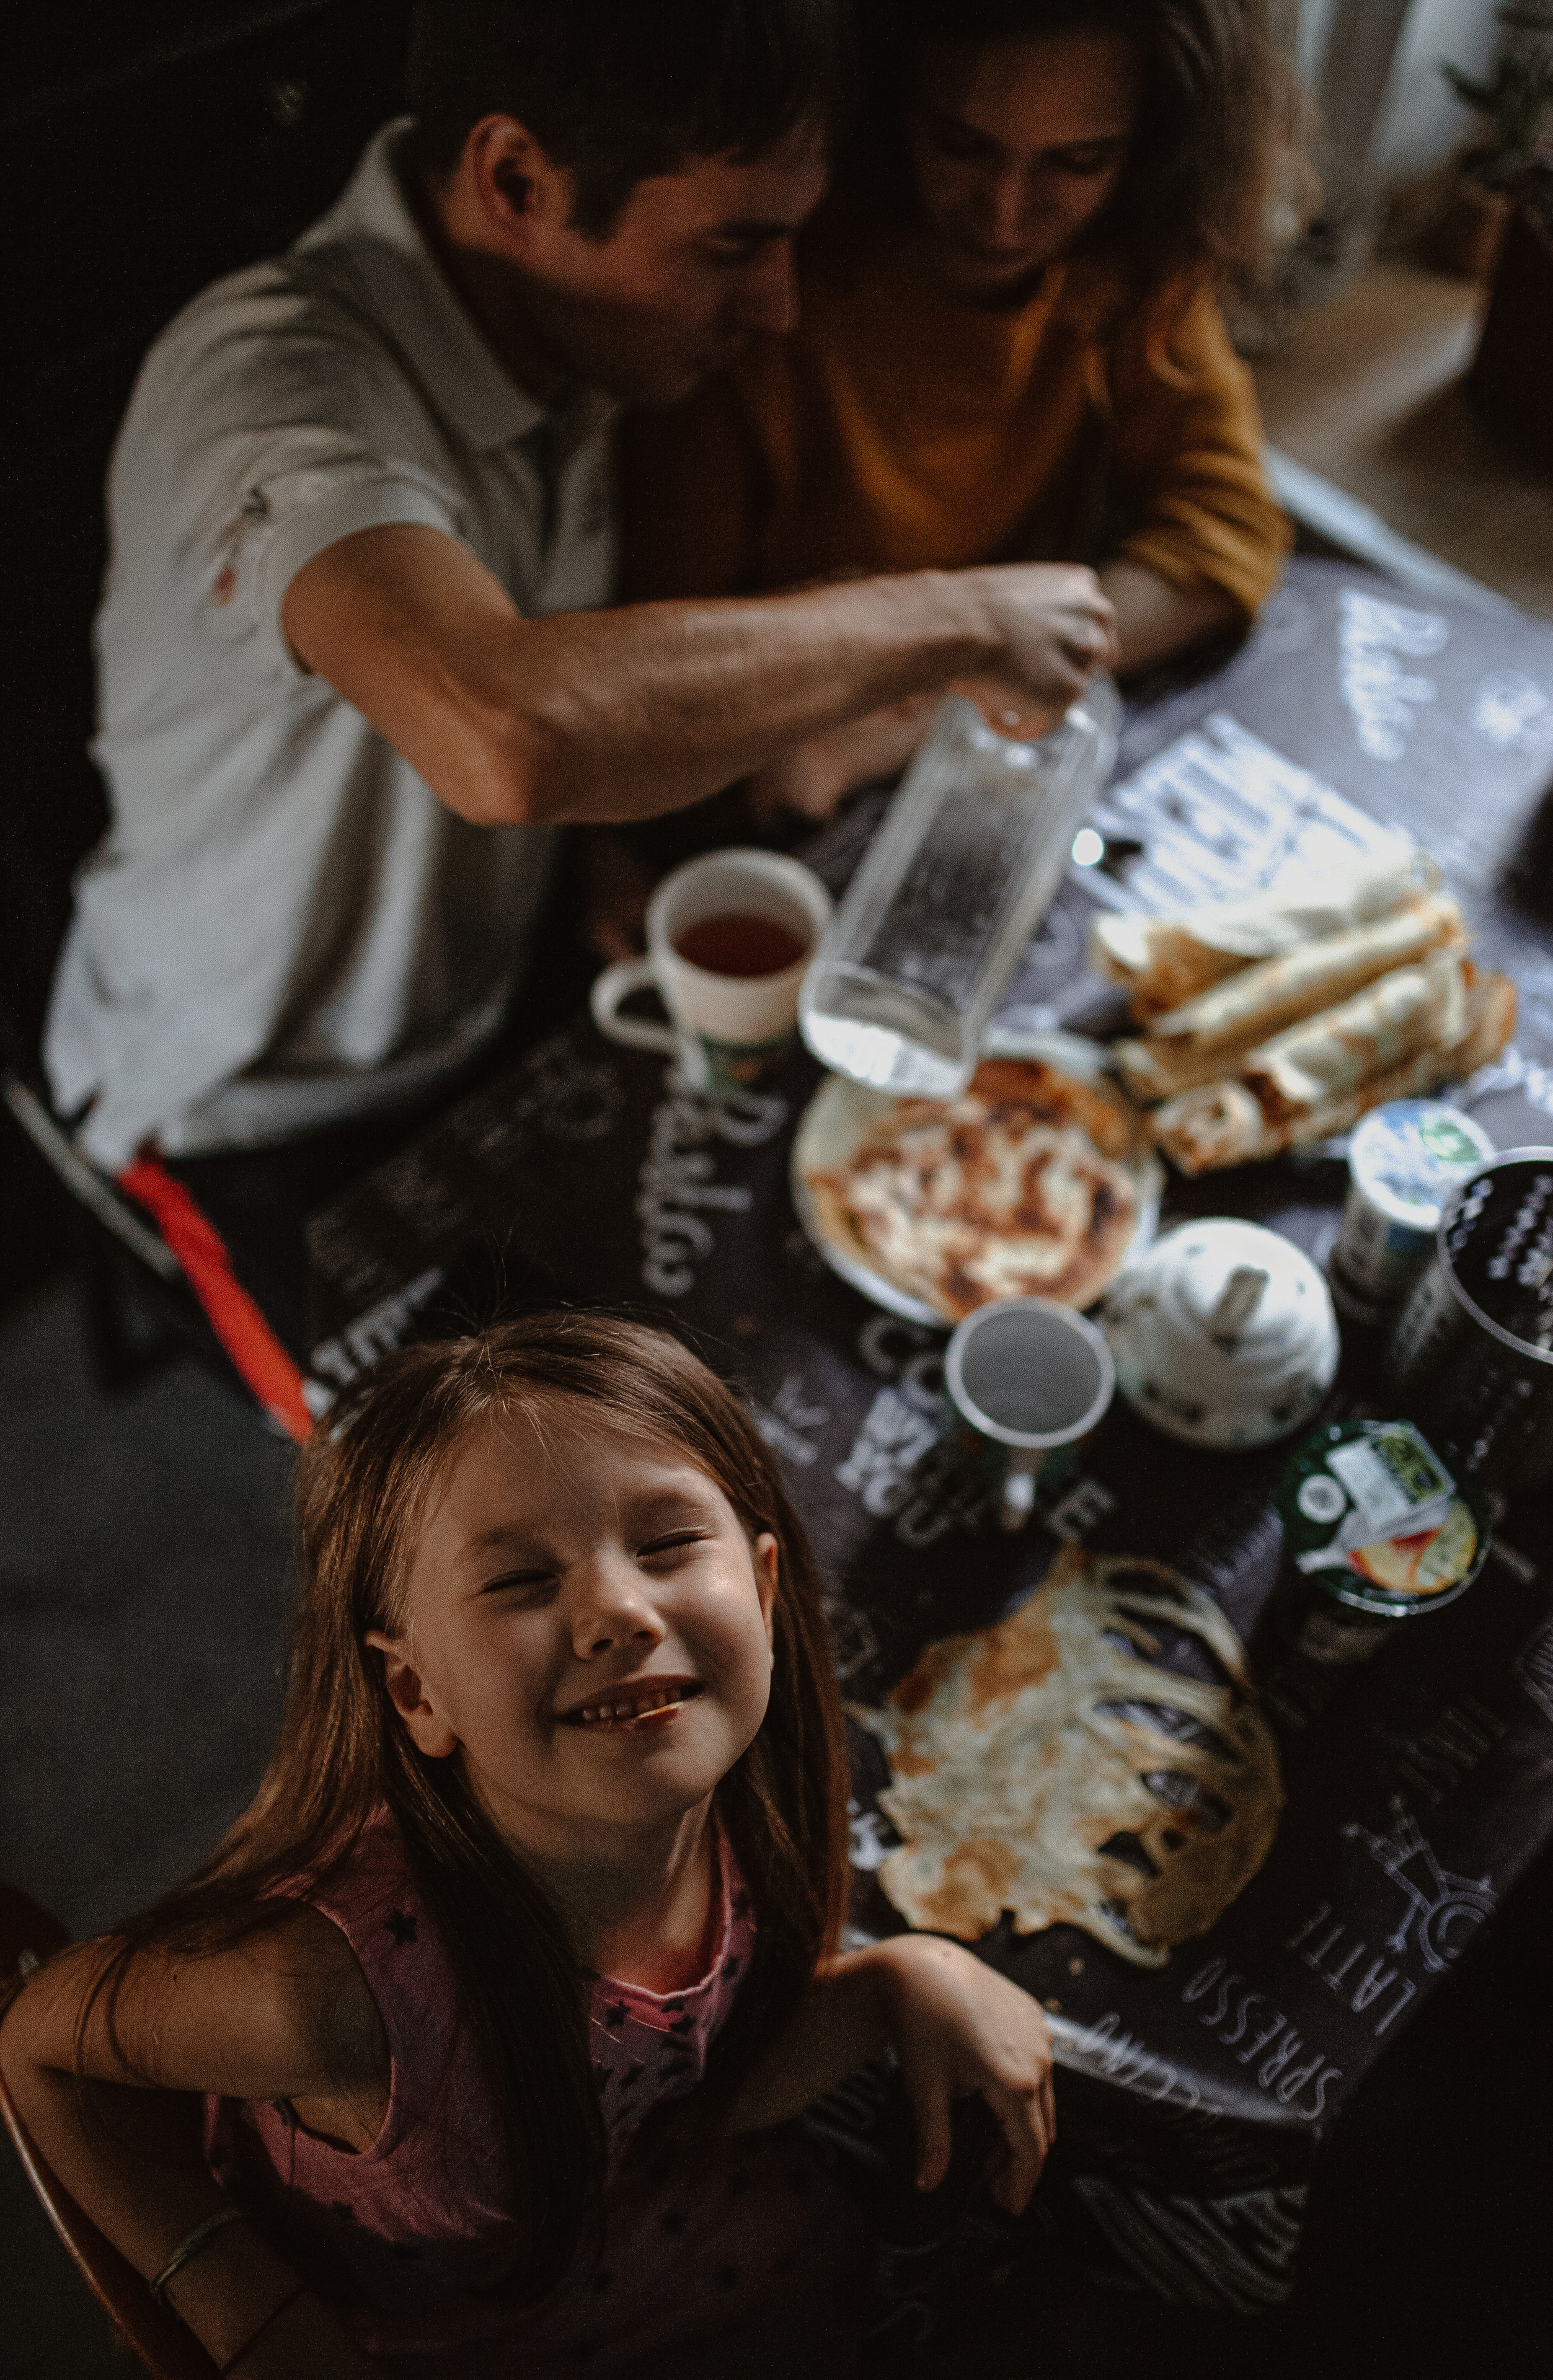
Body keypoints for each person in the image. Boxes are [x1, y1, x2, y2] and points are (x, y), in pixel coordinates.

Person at [42, 0, 1118, 1267]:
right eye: (735, 244)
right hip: (251, 1113)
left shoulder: (567, 339)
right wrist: (956, 617)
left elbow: (549, 677)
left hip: (493, 1003)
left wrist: (588, 864)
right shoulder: (266, 395)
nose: (778, 304)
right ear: (516, 180)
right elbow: (505, 731)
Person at [0, 1313, 1056, 2378]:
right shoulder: (327, 1999)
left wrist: (899, 1981)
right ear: (417, 1691)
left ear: (767, 1590)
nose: (619, 1611)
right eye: (519, 1581)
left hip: (629, 2221)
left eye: (668, 1545)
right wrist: (250, 2316)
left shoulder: (728, 1797)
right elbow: (37, 2048)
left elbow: (687, 2096)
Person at [621, 0, 1293, 822]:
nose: (1005, 215)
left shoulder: (1126, 262)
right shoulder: (773, 296)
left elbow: (1230, 522)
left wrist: (917, 720)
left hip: (924, 743)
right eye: (960, 146)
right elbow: (663, 659)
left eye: (1077, 161)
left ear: (1151, 148)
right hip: (757, 758)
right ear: (888, 99)